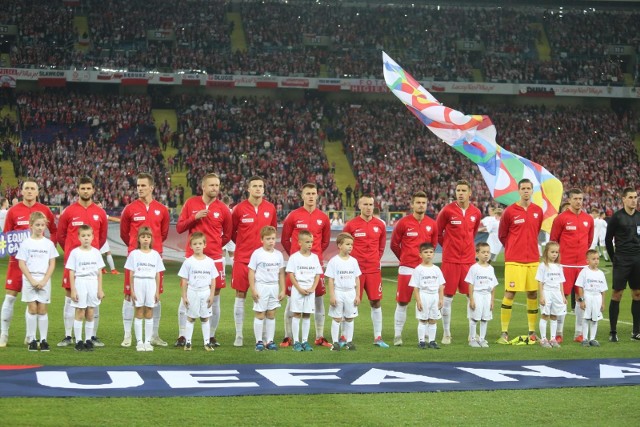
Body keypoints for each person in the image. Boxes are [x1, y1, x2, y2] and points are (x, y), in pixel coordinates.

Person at [176, 173, 231, 347]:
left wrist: (213, 247)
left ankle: (212, 336)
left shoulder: (223, 209)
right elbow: (179, 228)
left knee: (215, 296)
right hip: (192, 258)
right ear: (203, 187)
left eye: (217, 185)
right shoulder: (191, 203)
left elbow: (228, 235)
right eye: (212, 185)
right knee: (187, 295)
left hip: (214, 258)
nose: (215, 188)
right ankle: (182, 335)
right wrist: (194, 217)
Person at [0, 178, 57, 348]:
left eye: (33, 188)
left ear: (38, 191)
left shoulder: (45, 210)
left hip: (38, 264)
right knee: (10, 298)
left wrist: (49, 249)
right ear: (22, 191)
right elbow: (6, 235)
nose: (30, 191)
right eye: (27, 188)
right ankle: (3, 334)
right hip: (17, 262)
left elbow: (54, 231)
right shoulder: (13, 211)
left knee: (33, 299)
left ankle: (30, 336)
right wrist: (12, 252)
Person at [56, 177, 108, 348]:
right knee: (70, 298)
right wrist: (72, 251)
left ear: (93, 190)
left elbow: (101, 238)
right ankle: (68, 335)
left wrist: (91, 253)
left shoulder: (100, 213)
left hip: (92, 264)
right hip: (74, 263)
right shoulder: (69, 212)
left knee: (94, 300)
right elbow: (61, 236)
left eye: (88, 188)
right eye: (82, 188)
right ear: (77, 190)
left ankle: (92, 336)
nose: (86, 191)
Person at [120, 173, 170, 348]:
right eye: (138, 185)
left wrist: (151, 249)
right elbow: (124, 234)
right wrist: (136, 249)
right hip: (135, 257)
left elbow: (163, 234)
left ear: (152, 187)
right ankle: (127, 335)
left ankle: (154, 335)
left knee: (155, 297)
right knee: (128, 295)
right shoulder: (130, 209)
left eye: (143, 185)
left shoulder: (162, 209)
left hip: (154, 258)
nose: (139, 188)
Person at [280, 183, 331, 348]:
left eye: (313, 193)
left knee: (318, 300)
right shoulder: (293, 216)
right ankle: (288, 337)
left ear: (317, 195)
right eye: (307, 193)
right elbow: (284, 240)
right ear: (302, 196)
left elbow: (324, 242)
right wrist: (297, 258)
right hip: (298, 268)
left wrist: (312, 258)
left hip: (314, 266)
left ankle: (319, 336)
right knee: (292, 301)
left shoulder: (323, 217)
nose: (310, 196)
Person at [230, 176, 277, 347]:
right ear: (248, 189)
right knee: (240, 295)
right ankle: (239, 335)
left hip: (264, 262)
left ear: (264, 189)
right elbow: (232, 232)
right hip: (243, 259)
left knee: (264, 298)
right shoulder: (239, 209)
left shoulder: (270, 208)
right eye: (254, 186)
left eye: (261, 186)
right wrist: (243, 246)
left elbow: (271, 231)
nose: (258, 189)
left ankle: (265, 337)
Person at [497, 178, 544, 343]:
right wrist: (512, 247)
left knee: (533, 293)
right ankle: (504, 332)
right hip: (514, 260)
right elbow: (502, 235)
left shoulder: (538, 211)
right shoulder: (509, 211)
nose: (526, 191)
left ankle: (532, 331)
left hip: (532, 259)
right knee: (510, 293)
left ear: (532, 191)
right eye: (523, 188)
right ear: (518, 191)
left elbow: (535, 231)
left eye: (528, 188)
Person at [436, 180, 481, 344]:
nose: (460, 193)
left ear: (470, 193)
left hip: (468, 261)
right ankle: (446, 333)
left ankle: (472, 334)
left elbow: (473, 233)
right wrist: (448, 246)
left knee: (471, 297)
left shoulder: (476, 212)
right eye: (458, 190)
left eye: (463, 190)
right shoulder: (447, 211)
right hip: (450, 261)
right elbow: (437, 232)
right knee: (447, 297)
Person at [390, 191, 438, 346]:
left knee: (426, 302)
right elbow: (394, 245)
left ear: (427, 204)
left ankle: (424, 338)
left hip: (425, 270)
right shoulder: (403, 223)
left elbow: (433, 245)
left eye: (423, 202)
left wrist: (425, 262)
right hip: (407, 269)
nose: (421, 205)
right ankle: (397, 335)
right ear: (412, 204)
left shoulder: (432, 224)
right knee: (402, 302)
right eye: (418, 202)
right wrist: (404, 258)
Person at [343, 194, 388, 348]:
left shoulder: (380, 225)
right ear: (359, 206)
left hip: (373, 270)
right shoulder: (351, 225)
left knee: (376, 302)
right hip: (356, 271)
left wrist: (375, 259)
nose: (369, 208)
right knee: (352, 303)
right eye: (366, 204)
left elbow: (381, 247)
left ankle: (378, 337)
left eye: (371, 204)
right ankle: (344, 337)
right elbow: (344, 245)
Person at [549, 188, 593, 343]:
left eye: (580, 199)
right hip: (564, 265)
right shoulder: (560, 219)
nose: (578, 202)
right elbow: (553, 240)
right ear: (569, 200)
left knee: (581, 298)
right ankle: (559, 332)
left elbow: (589, 241)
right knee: (562, 298)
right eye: (575, 199)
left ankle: (579, 333)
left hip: (581, 266)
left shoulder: (589, 219)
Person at [16, 212, 58, 351]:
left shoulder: (49, 244)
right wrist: (32, 280)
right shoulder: (26, 243)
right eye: (37, 225)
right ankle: (32, 339)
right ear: (31, 225)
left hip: (44, 279)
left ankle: (43, 340)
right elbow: (22, 263)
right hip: (30, 279)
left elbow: (52, 264)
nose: (40, 228)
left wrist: (45, 280)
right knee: (32, 309)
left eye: (42, 225)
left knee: (42, 309)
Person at [605, 187, 640, 342]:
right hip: (622, 259)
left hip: (637, 259)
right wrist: (615, 259)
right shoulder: (617, 217)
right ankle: (613, 331)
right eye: (631, 197)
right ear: (623, 199)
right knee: (617, 294)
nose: (634, 200)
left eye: (636, 197)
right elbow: (607, 240)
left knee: (637, 294)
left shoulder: (639, 217)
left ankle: (636, 331)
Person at [125, 227, 165, 352]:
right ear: (139, 239)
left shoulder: (155, 255)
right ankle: (139, 342)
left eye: (148, 237)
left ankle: (147, 341)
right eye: (143, 237)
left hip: (151, 283)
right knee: (139, 312)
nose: (146, 239)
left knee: (149, 311)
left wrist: (157, 291)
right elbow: (130, 274)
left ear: (151, 239)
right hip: (138, 282)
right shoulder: (134, 254)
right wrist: (131, 290)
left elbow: (158, 274)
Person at [65, 225, 105, 351]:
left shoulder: (96, 252)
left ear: (92, 237)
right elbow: (71, 272)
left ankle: (88, 339)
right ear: (79, 237)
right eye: (83, 236)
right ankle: (78, 341)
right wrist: (73, 289)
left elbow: (99, 272)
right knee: (80, 312)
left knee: (90, 312)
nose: (86, 238)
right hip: (80, 282)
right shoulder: (75, 253)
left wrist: (100, 289)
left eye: (88, 235)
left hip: (93, 283)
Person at [178, 232, 218, 352]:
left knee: (205, 318)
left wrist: (212, 295)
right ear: (191, 246)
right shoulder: (188, 262)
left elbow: (213, 279)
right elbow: (184, 280)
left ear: (204, 245)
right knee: (191, 317)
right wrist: (184, 296)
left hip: (205, 292)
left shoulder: (210, 261)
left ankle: (207, 343)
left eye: (200, 243)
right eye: (195, 244)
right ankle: (188, 342)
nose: (197, 246)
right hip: (192, 292)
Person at [248, 226, 285, 351]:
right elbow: (251, 272)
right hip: (261, 286)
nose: (271, 241)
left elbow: (281, 273)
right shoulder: (257, 254)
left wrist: (283, 289)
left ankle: (269, 341)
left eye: (273, 239)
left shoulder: (279, 255)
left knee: (271, 314)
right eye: (268, 238)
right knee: (260, 314)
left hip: (274, 287)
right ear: (262, 240)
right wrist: (253, 289)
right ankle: (259, 341)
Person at [285, 230, 323, 351]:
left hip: (310, 290)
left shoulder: (315, 257)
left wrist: (313, 288)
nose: (310, 244)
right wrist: (299, 288)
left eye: (311, 242)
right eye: (307, 242)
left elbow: (318, 274)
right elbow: (290, 274)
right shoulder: (294, 257)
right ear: (299, 242)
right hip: (298, 289)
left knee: (307, 315)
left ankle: (305, 341)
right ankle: (296, 341)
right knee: (297, 314)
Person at [325, 232, 361, 351]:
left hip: (350, 293)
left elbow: (357, 278)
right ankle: (335, 342)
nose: (350, 246)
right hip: (338, 292)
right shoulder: (334, 261)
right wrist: (332, 295)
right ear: (339, 245)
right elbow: (330, 279)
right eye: (347, 244)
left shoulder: (354, 261)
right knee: (337, 318)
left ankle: (348, 342)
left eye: (351, 244)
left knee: (350, 318)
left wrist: (358, 295)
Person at [410, 243, 445, 350]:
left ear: (433, 254)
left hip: (434, 296)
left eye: (430, 252)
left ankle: (432, 341)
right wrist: (418, 301)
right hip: (424, 295)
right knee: (423, 319)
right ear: (420, 254)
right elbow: (415, 287)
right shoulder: (418, 269)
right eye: (425, 252)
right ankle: (421, 341)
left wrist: (441, 298)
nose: (428, 254)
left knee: (433, 319)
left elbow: (441, 285)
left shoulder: (436, 269)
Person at [466, 242, 499, 348]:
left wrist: (492, 300)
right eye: (483, 252)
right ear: (477, 254)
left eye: (488, 252)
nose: (486, 254)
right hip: (477, 295)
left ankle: (482, 339)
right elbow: (470, 284)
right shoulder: (474, 268)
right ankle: (472, 339)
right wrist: (471, 299)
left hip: (487, 296)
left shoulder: (491, 269)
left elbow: (493, 285)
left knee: (485, 318)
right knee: (475, 318)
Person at [535, 241, 566, 348]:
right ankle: (543, 339)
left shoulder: (559, 266)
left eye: (556, 252)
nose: (554, 254)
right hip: (547, 292)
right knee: (545, 315)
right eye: (552, 252)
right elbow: (540, 281)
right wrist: (541, 295)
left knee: (554, 316)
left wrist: (562, 296)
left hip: (556, 293)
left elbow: (561, 282)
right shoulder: (543, 266)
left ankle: (553, 338)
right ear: (546, 252)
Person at [576, 250, 608, 347]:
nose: (596, 261)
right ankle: (585, 339)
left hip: (597, 297)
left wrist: (603, 303)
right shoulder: (584, 272)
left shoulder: (601, 273)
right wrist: (582, 300)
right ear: (587, 261)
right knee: (586, 318)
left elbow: (603, 290)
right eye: (593, 259)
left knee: (595, 319)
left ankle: (592, 338)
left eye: (597, 258)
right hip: (588, 296)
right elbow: (580, 286)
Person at [96, 202, 121, 275]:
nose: (101, 208)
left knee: (99, 253)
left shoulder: (97, 214)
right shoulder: (101, 214)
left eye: (101, 206)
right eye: (99, 207)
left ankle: (102, 269)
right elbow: (111, 218)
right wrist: (121, 220)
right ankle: (113, 270)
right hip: (100, 237)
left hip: (97, 237)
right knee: (107, 252)